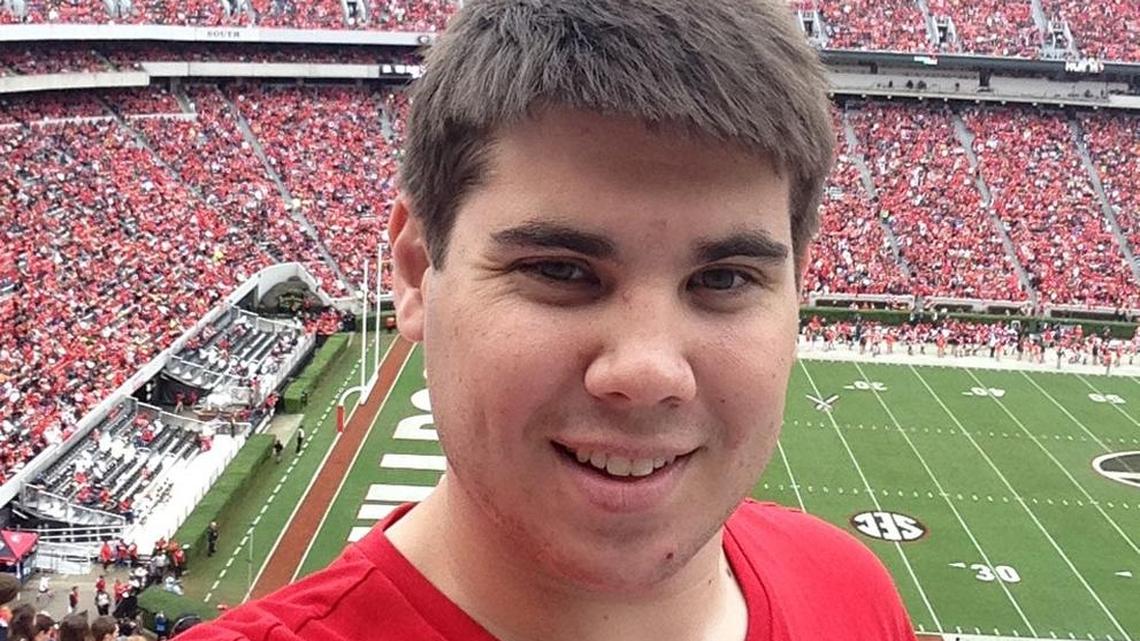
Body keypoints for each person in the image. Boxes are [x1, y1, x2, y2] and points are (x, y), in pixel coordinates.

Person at [178, 1, 915, 640]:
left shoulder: (853, 592)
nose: (648, 370)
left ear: (797, 292)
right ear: (414, 271)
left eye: (723, 279)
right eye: (560, 270)